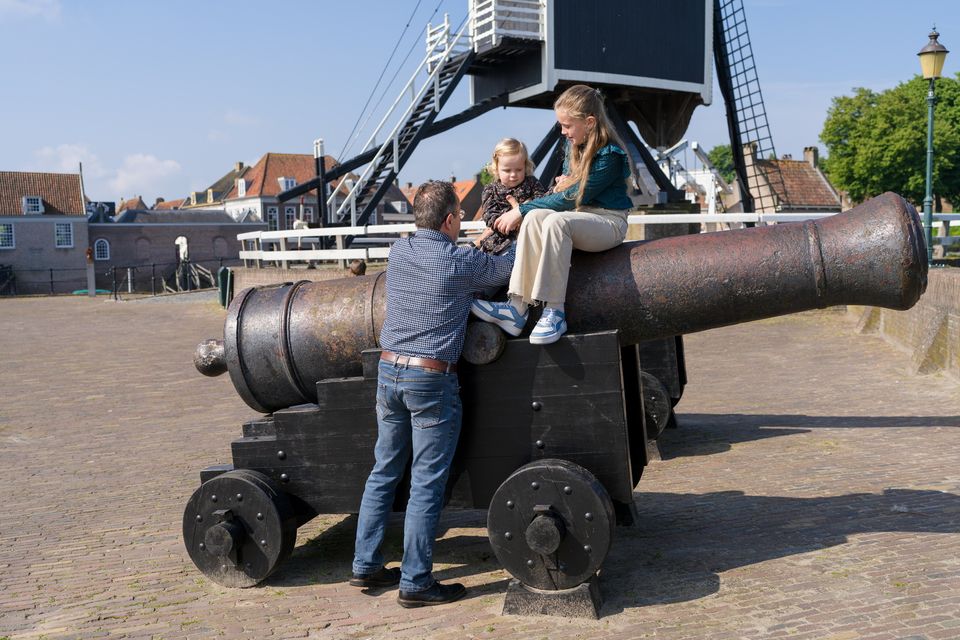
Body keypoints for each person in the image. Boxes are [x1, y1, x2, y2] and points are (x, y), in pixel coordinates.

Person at [351, 180, 513, 608]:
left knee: (384, 469)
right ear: (448, 219)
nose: (461, 222)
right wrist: (511, 228)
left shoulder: (399, 251)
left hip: (389, 371)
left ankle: (365, 562)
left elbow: (440, 258)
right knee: (426, 483)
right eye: (459, 215)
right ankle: (416, 581)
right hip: (430, 379)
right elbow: (508, 268)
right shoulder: (459, 262)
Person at [471, 84, 637, 345]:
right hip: (581, 217)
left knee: (555, 221)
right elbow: (563, 192)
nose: (563, 131)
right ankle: (516, 307)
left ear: (590, 122)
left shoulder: (609, 156)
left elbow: (572, 198)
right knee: (536, 218)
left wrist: (520, 209)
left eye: (567, 125)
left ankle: (555, 310)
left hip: (608, 221)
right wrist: (535, 207)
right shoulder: (575, 150)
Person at [475, 138, 547, 256]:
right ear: (496, 168)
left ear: (525, 166)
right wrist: (511, 221)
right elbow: (489, 215)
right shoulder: (491, 190)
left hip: (530, 235)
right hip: (501, 240)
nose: (513, 175)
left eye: (519, 169)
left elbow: (542, 201)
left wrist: (523, 210)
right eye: (507, 170)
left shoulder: (532, 183)